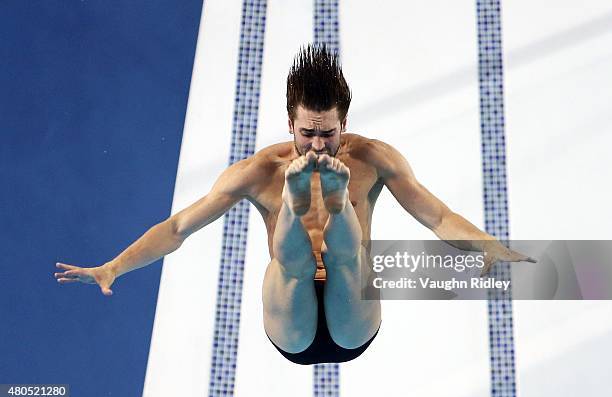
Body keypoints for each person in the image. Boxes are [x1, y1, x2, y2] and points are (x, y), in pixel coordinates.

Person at [54, 43, 534, 365]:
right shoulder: (258, 171)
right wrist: (114, 267)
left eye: (329, 132)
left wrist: (485, 246)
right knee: (292, 260)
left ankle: (331, 201)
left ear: (344, 121)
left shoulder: (374, 157)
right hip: (291, 322)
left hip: (352, 320)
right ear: (290, 123)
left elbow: (438, 216)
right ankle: (296, 198)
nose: (320, 144)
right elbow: (179, 228)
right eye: (309, 133)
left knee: (349, 256)